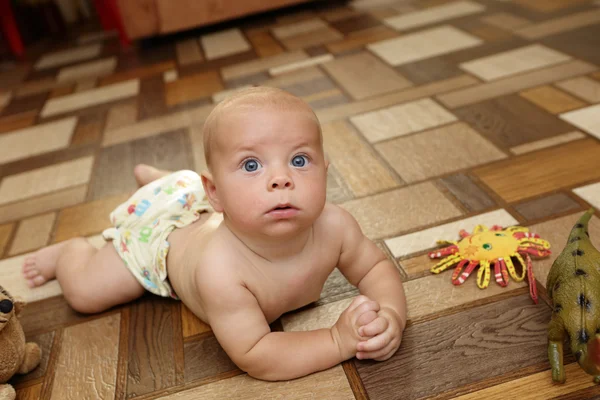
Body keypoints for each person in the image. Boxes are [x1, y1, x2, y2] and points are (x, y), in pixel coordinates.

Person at [22, 87, 407, 381]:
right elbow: (256, 352)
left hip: (200, 202)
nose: (280, 179)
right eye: (252, 164)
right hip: (161, 241)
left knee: (192, 193)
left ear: (326, 171)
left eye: (299, 160)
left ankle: (165, 183)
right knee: (88, 293)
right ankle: (71, 251)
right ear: (217, 191)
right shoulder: (221, 270)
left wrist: (391, 314)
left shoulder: (336, 226)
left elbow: (374, 268)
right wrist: (337, 341)